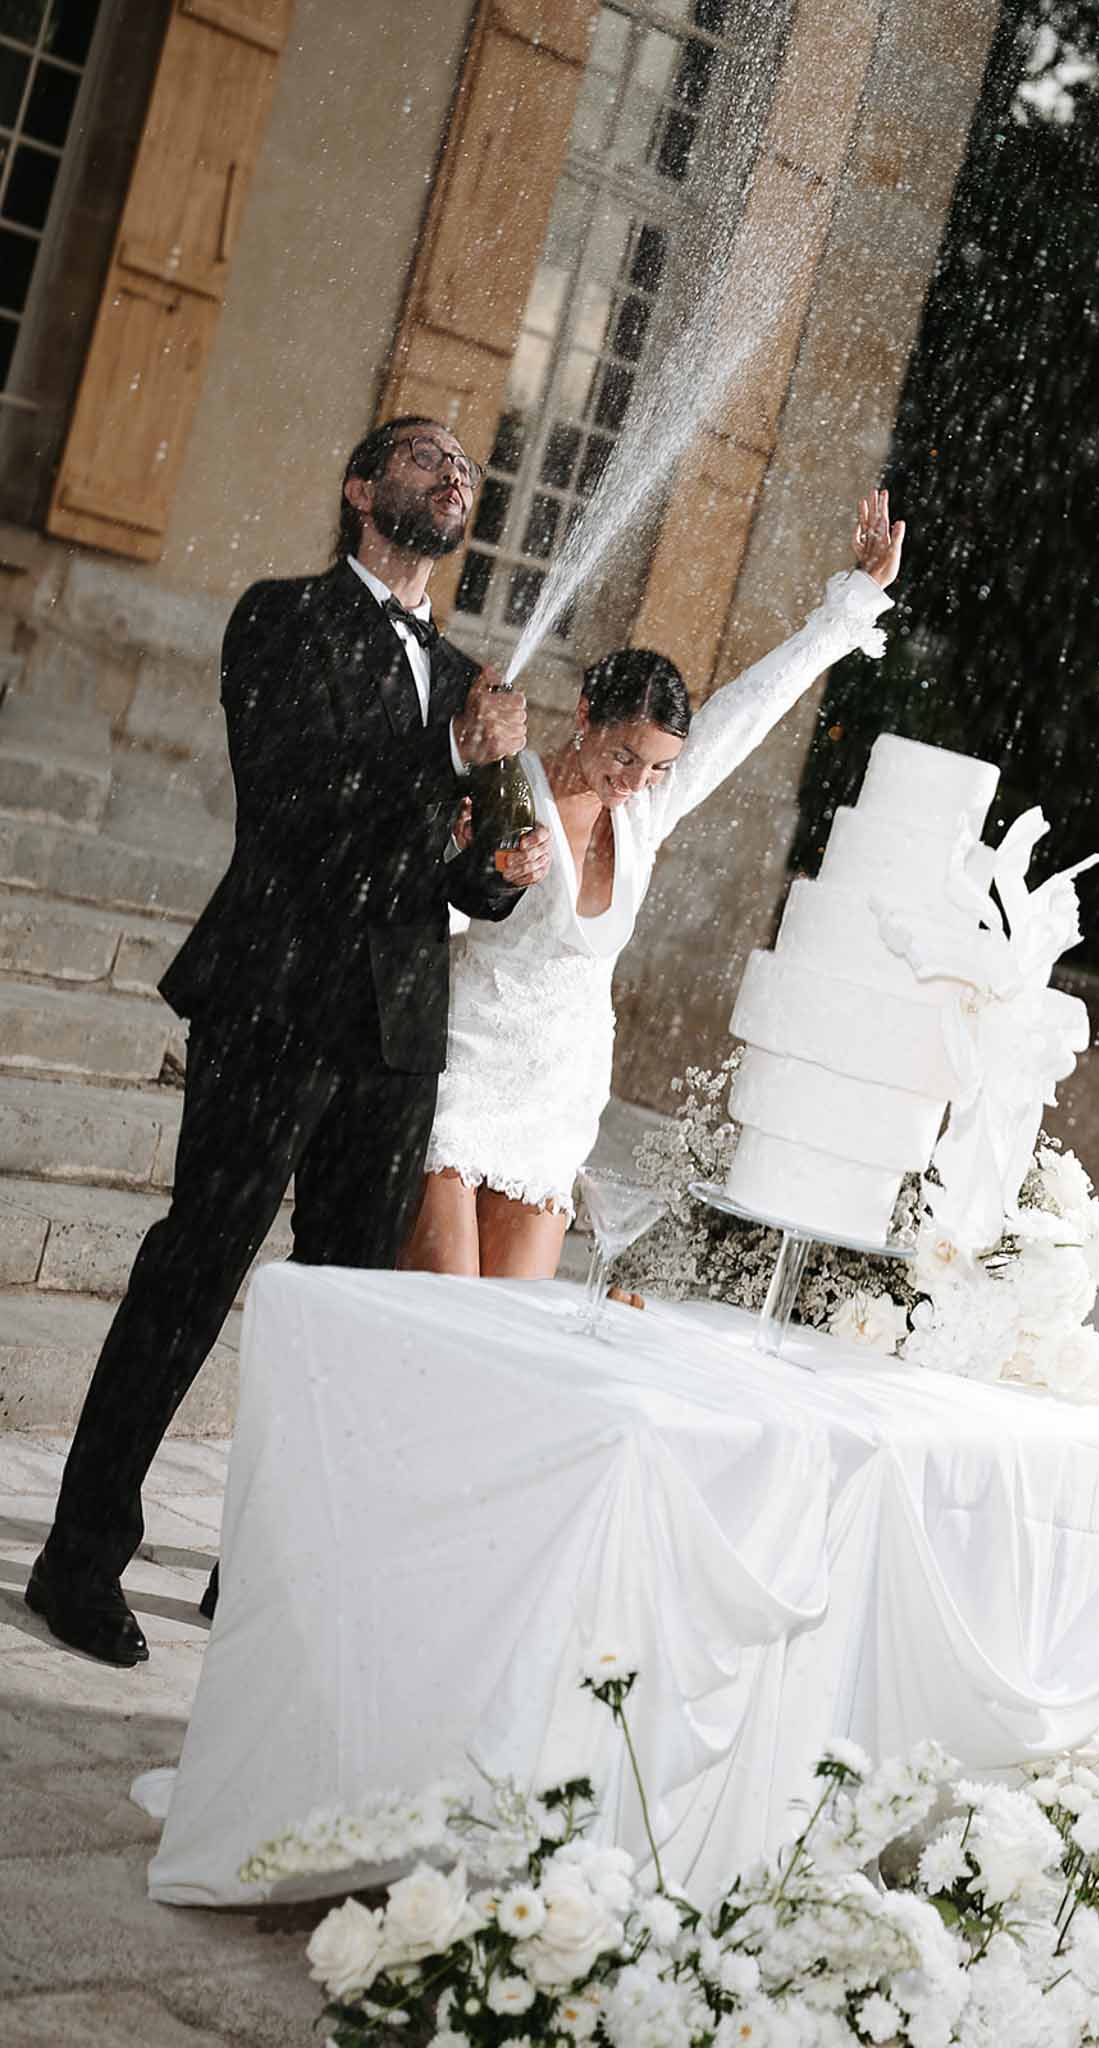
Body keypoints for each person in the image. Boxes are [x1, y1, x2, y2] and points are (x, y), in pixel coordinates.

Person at [27, 416, 551, 1667]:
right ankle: (78, 1557)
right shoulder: (281, 619)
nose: (454, 473)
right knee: (193, 1273)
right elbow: (294, 799)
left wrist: (503, 865)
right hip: (274, 1001)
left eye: (466, 467)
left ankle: (259, 1571)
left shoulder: (464, 675)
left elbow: (458, 879)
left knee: (340, 1312)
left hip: (396, 1025)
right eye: (424, 457)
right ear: (362, 487)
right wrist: (449, 753)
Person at [399, 488, 904, 1279]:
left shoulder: (642, 814)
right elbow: (438, 902)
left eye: (660, 767)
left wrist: (853, 601)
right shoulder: (508, 782)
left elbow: (750, 708)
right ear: (586, 715)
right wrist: (471, 851)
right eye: (624, 756)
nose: (635, 781)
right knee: (436, 1302)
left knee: (502, 1325)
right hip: (465, 1067)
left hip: (558, 1092)